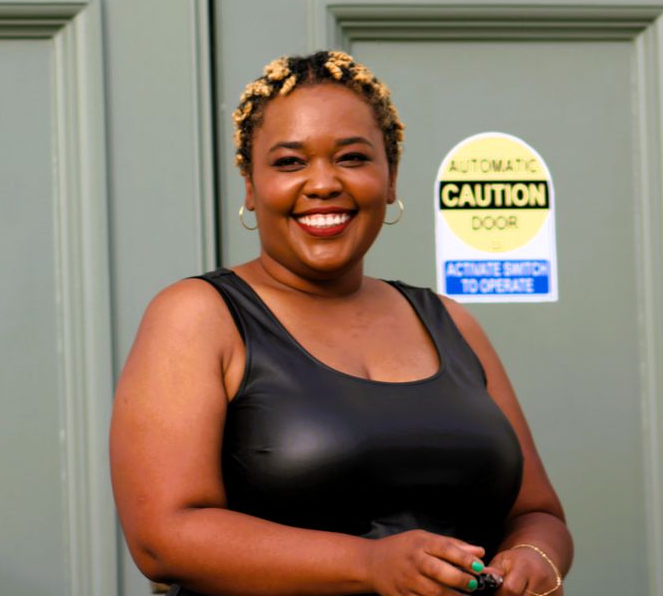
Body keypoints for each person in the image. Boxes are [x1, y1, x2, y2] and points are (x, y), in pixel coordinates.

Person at [109, 51, 571, 596]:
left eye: (352, 158)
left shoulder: (449, 322)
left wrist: (533, 557)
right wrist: (369, 564)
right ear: (251, 187)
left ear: (390, 177)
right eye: (289, 163)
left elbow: (538, 512)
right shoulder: (198, 317)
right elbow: (162, 538)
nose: (323, 184)